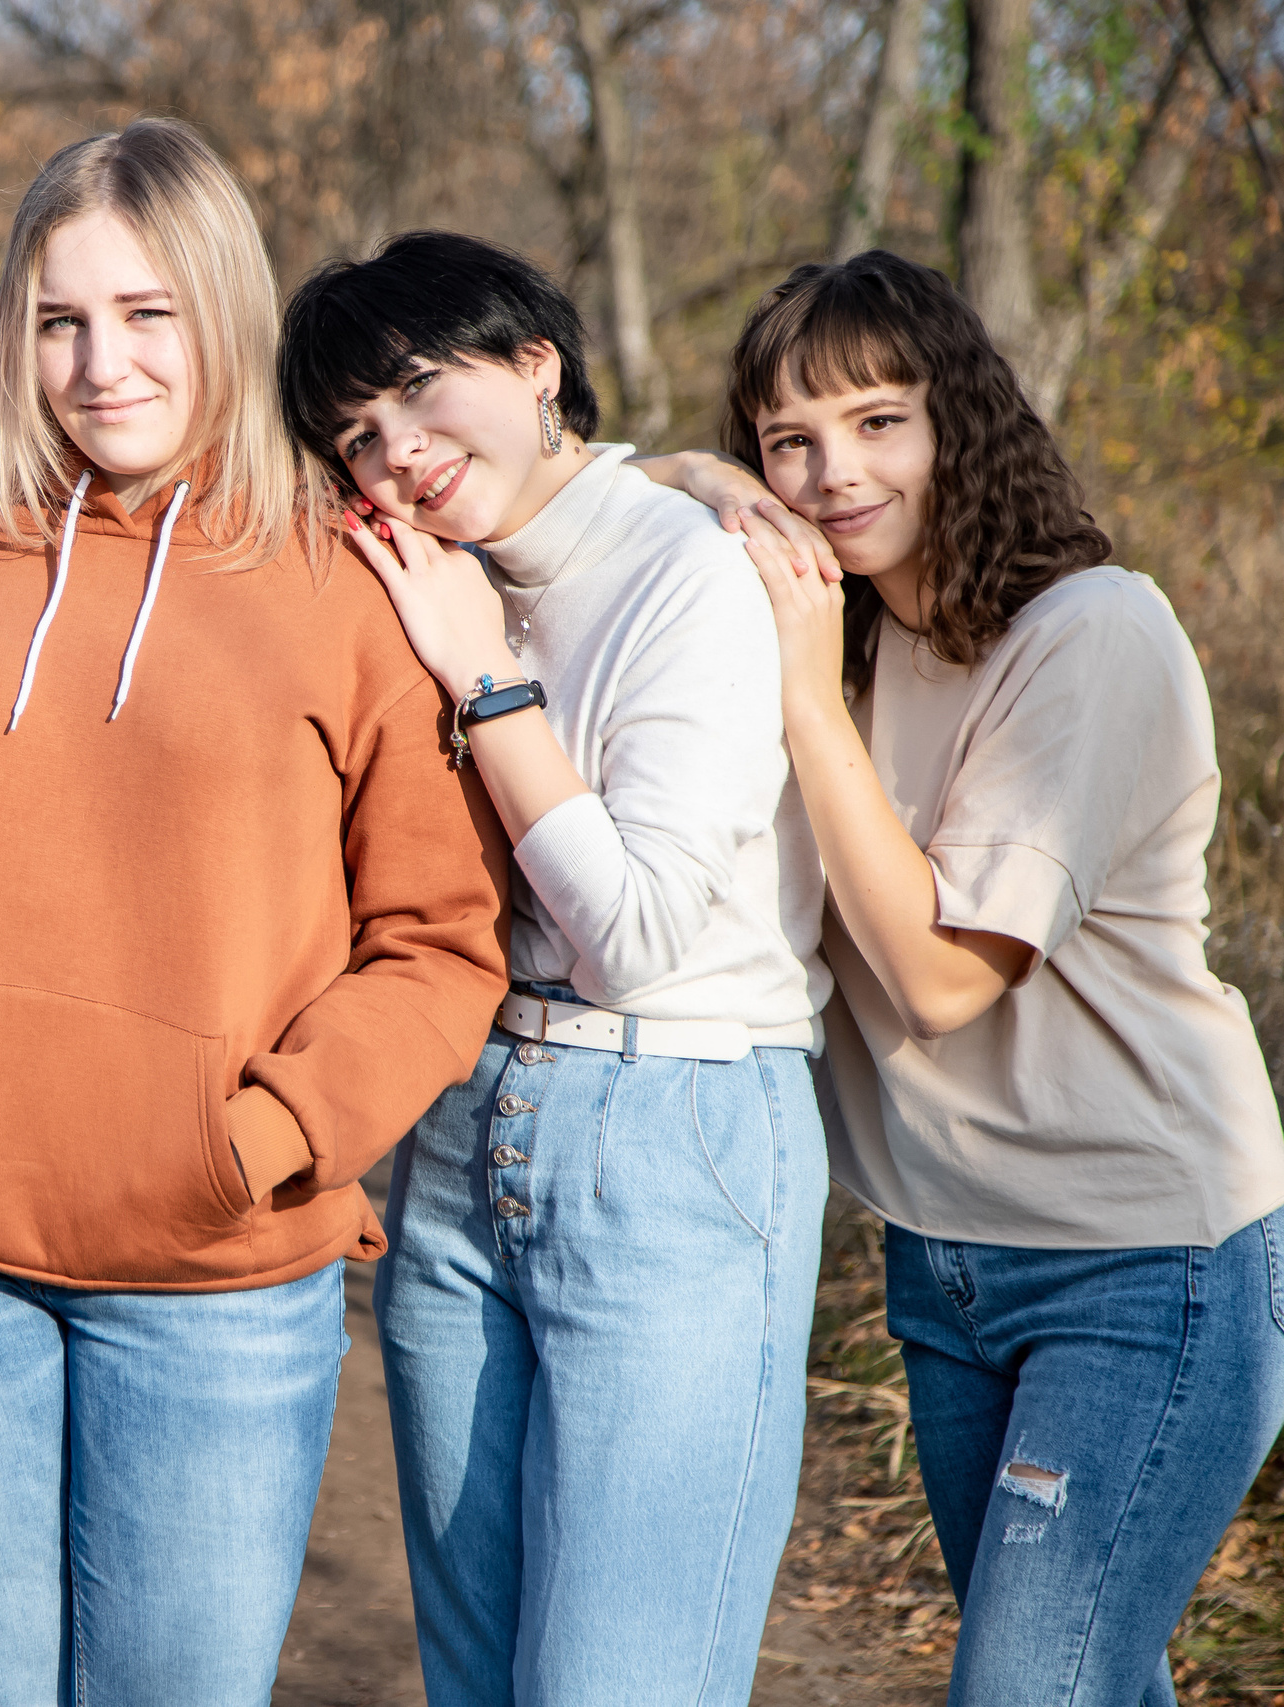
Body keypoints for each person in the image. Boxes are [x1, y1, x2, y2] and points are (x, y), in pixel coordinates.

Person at [0, 121, 512, 1707]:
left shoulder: (354, 576)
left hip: (215, 1271)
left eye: (147, 313)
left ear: (220, 309)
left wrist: (269, 1141)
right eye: (60, 319)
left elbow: (435, 944)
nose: (103, 364)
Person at [278, 229, 836, 1706]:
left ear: (536, 363)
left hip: (675, 1134)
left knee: (617, 1683)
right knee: (475, 1671)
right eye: (357, 433)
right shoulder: (449, 571)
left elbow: (641, 937)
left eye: (418, 389)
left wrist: (490, 682)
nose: (398, 450)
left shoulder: (688, 576)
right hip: (468, 1130)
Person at [733, 248, 1284, 1707]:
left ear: (959, 419)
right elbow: (633, 483)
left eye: (875, 421)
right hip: (945, 1263)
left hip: (1143, 1259)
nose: (830, 472)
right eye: (787, 441)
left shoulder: (1092, 635)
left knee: (1029, 1691)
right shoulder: (853, 643)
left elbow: (936, 981)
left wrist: (800, 694)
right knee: (1087, 1682)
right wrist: (711, 492)